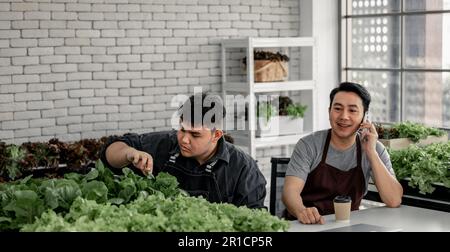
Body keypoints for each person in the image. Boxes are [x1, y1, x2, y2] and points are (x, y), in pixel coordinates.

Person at [101, 93, 267, 209]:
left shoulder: (244, 168)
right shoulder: (164, 144)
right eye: (182, 129)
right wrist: (129, 154)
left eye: (195, 134)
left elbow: (254, 221)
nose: (184, 139)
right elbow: (111, 150)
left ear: (216, 135)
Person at [282, 82, 403, 224]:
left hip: (348, 225)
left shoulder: (374, 148)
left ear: (364, 117)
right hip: (308, 225)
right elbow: (289, 193)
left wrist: (371, 152)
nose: (344, 116)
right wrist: (301, 211)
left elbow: (394, 199)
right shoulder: (309, 145)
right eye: (338, 109)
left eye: (352, 110)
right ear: (329, 112)